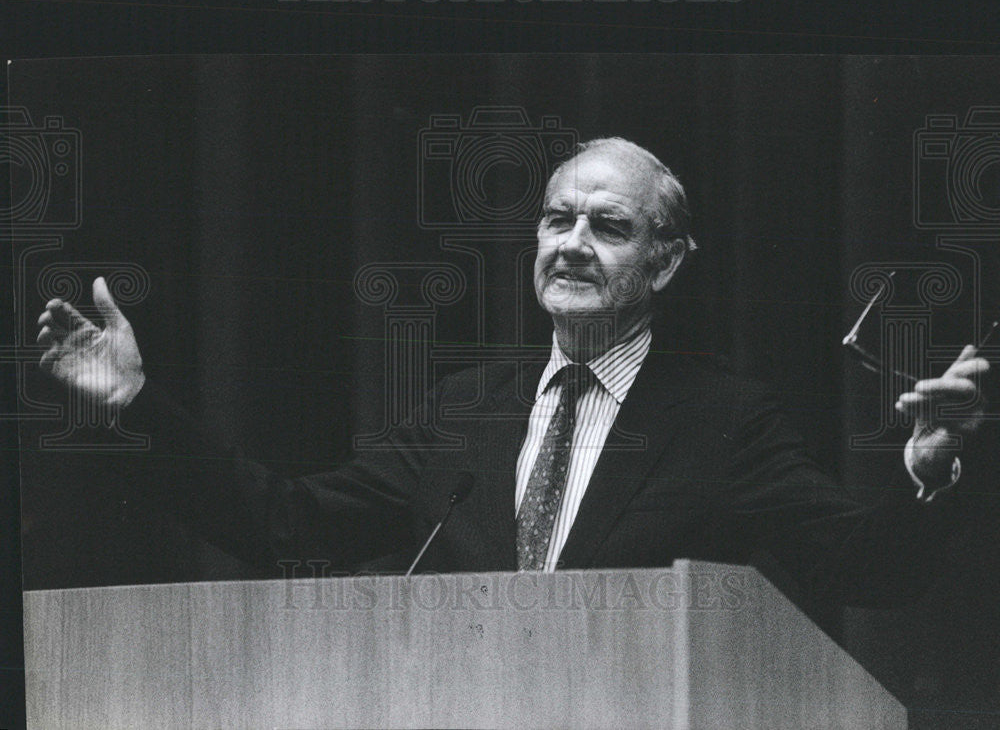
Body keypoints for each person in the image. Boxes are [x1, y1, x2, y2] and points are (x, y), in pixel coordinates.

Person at [35, 138, 989, 603]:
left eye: (608, 227)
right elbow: (288, 528)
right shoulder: (464, 411)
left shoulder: (722, 419)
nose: (571, 245)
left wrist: (935, 469)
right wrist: (133, 407)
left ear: (664, 262)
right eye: (555, 218)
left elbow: (863, 566)